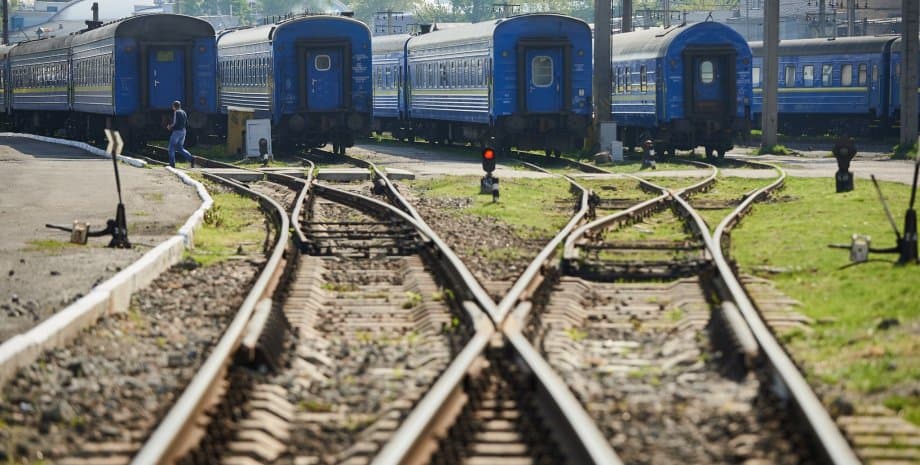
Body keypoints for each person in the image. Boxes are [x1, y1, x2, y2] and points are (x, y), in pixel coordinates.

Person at [167, 100, 195, 168]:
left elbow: (175, 123)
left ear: (174, 106)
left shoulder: (176, 112)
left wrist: (170, 127)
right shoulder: (184, 112)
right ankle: (191, 159)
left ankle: (172, 164)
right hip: (183, 131)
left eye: (173, 106)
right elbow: (186, 123)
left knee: (171, 148)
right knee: (180, 148)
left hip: (177, 132)